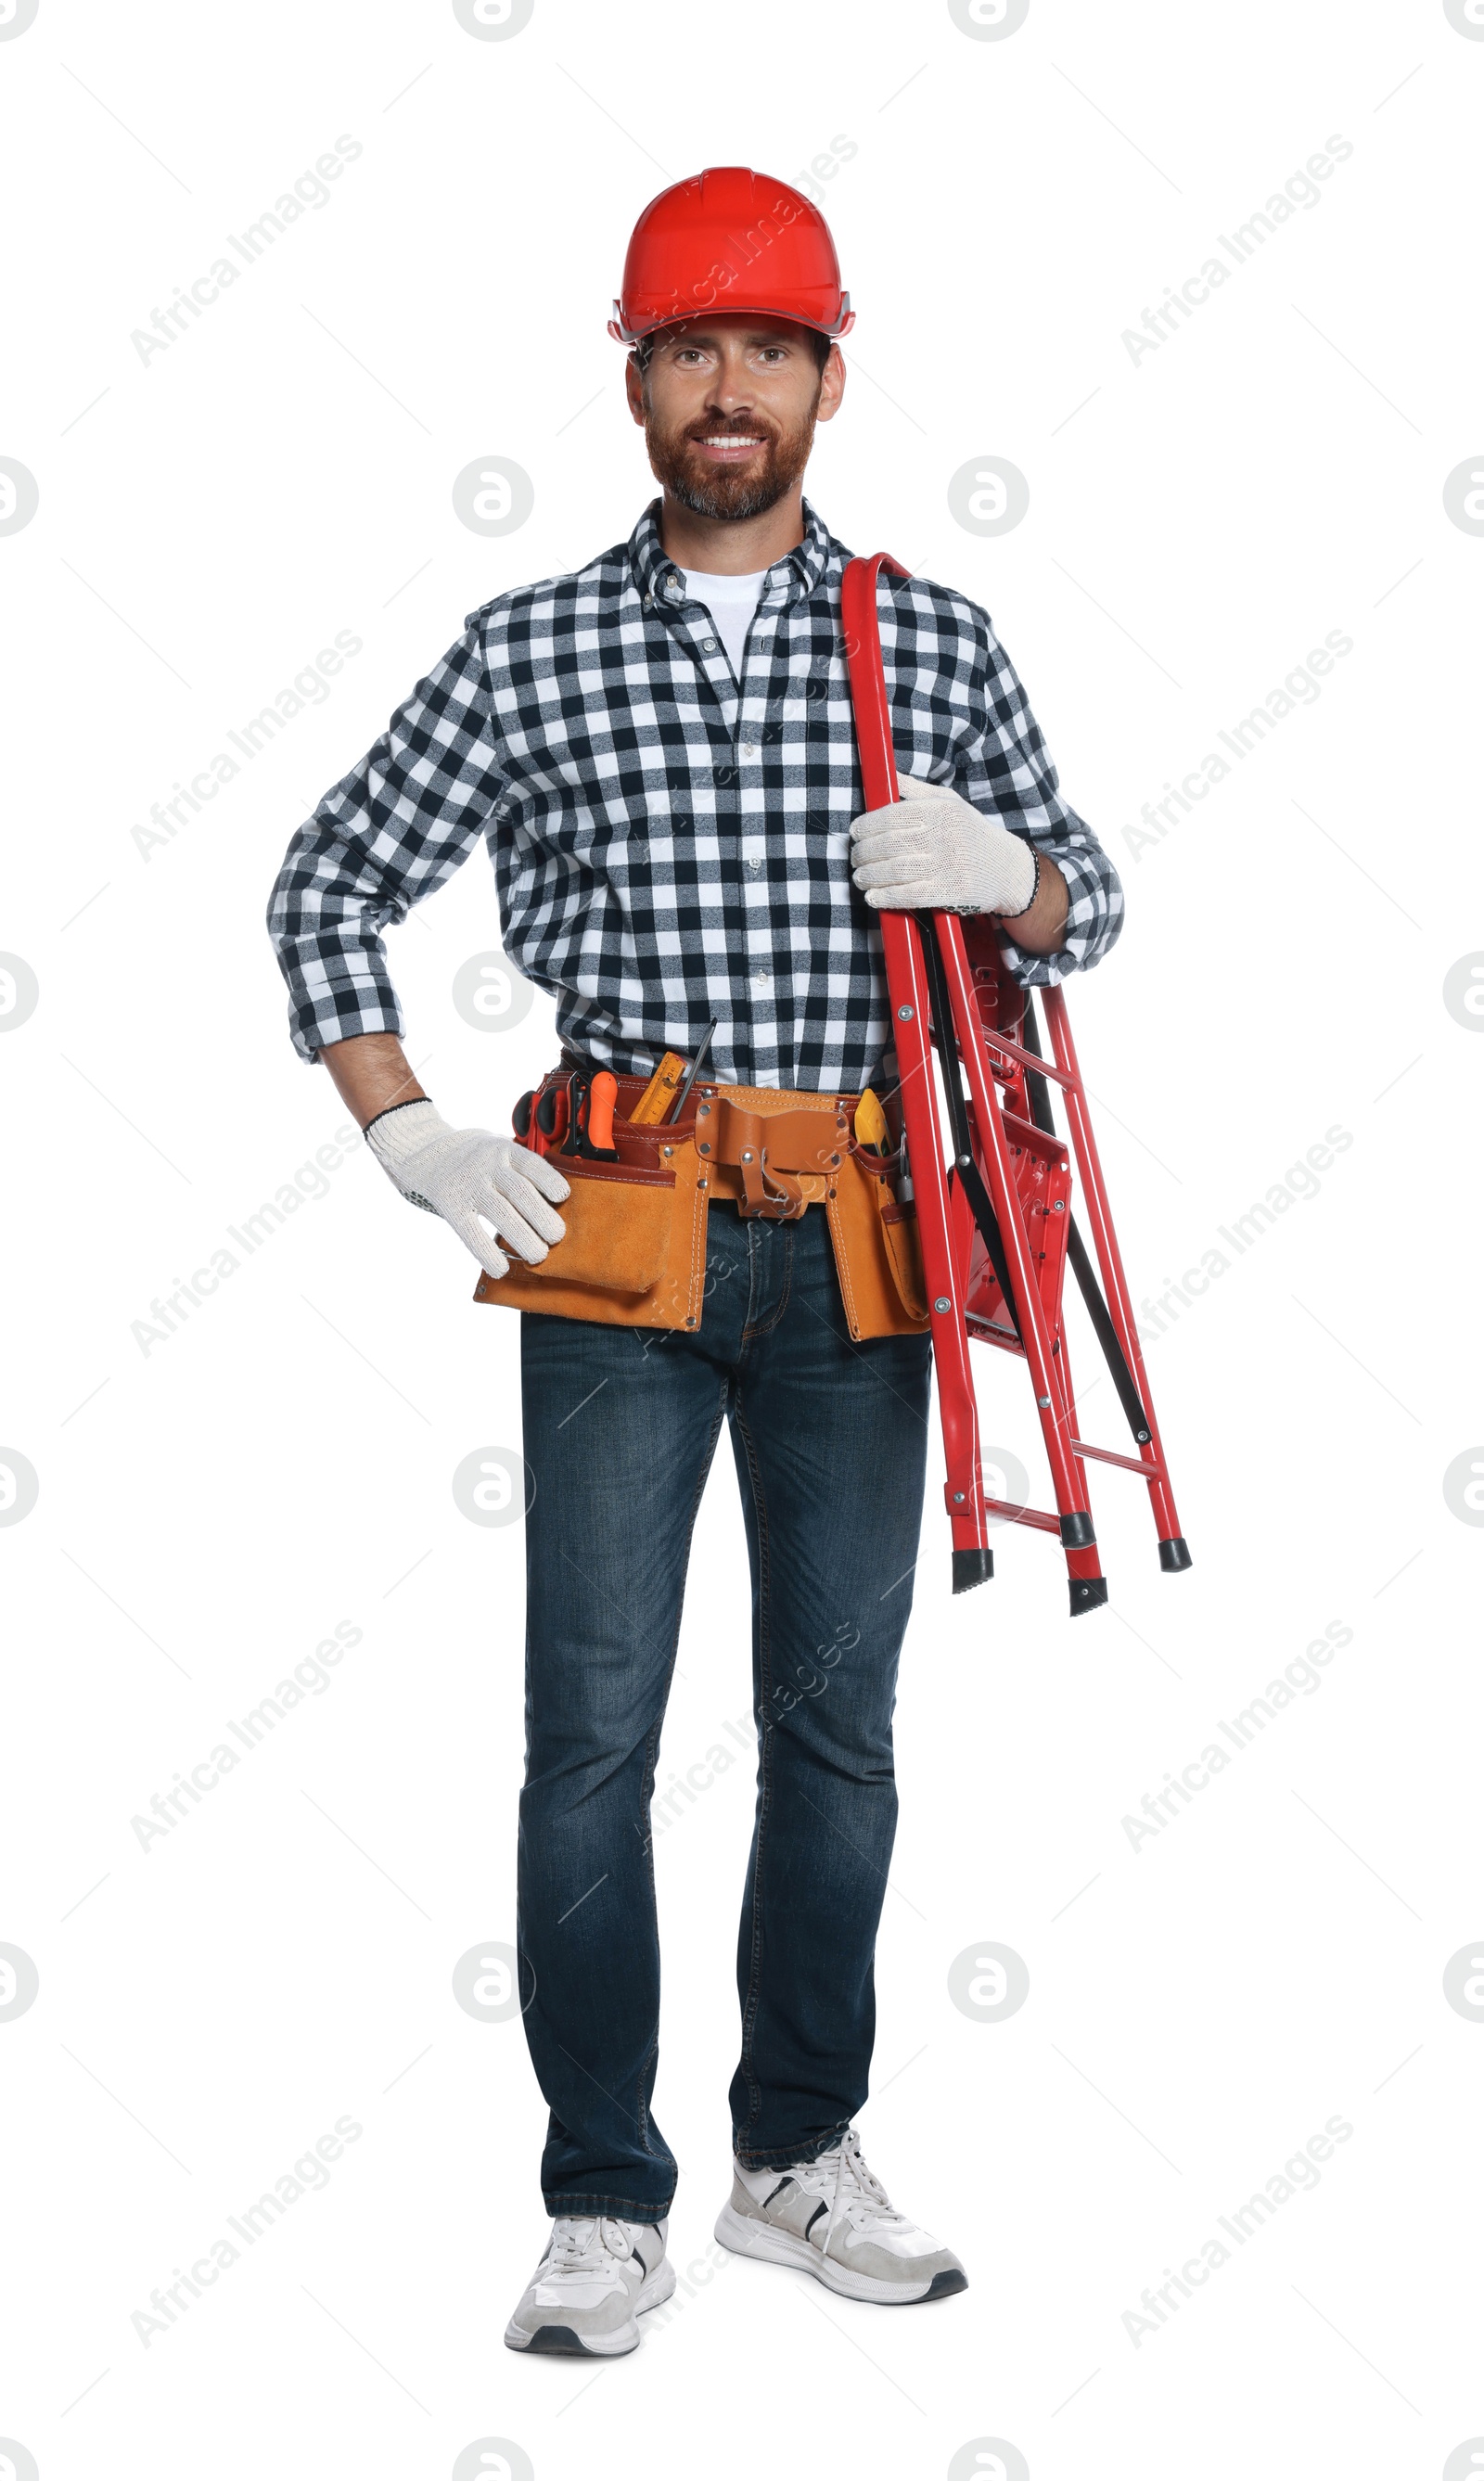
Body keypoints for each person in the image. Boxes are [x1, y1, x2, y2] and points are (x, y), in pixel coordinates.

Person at [267, 164, 1122, 2358]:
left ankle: (792, 2157)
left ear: (826, 379)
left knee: (835, 1738)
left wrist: (1005, 865)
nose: (724, 386)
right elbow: (323, 884)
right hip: (614, 1256)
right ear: (634, 382)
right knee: (590, 1740)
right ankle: (598, 2199)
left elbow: (1093, 903)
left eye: (765, 347)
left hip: (861, 1252)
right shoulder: (529, 646)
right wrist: (412, 1132)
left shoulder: (925, 639)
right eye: (686, 348)